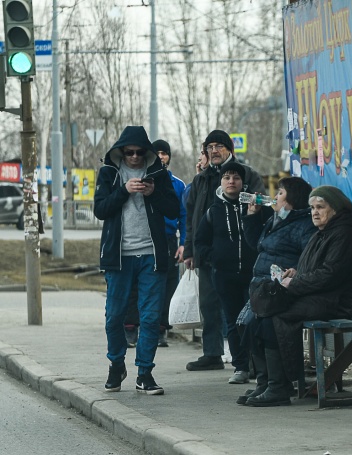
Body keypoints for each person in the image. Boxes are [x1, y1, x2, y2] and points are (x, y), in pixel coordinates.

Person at [245, 186, 352, 407]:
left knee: (274, 316)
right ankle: (267, 383)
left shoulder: (344, 232)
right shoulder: (325, 231)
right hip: (314, 296)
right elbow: (315, 268)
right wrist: (295, 272)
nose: (315, 212)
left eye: (321, 207)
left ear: (336, 209)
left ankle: (279, 386)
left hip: (332, 302)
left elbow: (331, 274)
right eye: (312, 208)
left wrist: (295, 283)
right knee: (258, 315)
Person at [94, 125, 180, 396]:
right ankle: (116, 365)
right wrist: (124, 191)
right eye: (128, 152)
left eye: (138, 152)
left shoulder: (157, 173)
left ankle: (145, 372)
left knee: (151, 317)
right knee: (115, 316)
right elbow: (100, 209)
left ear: (147, 152)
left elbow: (174, 209)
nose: (133, 157)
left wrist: (152, 192)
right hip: (118, 257)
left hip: (151, 255)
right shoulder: (109, 172)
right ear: (120, 151)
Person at [183, 130, 266, 372]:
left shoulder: (246, 174)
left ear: (229, 149)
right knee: (209, 305)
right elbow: (192, 218)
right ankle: (212, 353)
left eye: (219, 146)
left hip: (241, 255)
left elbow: (260, 206)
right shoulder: (201, 179)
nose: (214, 151)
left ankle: (249, 359)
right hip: (209, 254)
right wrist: (190, 250)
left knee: (244, 308)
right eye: (209, 147)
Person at [236, 176, 317, 405]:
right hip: (261, 286)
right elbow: (258, 245)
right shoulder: (277, 219)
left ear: (292, 199)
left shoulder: (303, 224)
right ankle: (264, 382)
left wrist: (295, 271)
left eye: (280, 193)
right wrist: (251, 217)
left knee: (263, 327)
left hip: (278, 289)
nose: (276, 197)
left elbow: (308, 257)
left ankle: (278, 386)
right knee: (246, 325)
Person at [194, 161, 258, 384]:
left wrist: (254, 214)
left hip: (252, 275)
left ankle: (258, 366)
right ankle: (240, 367)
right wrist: (215, 258)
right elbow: (199, 242)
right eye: (227, 178)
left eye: (236, 178)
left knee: (253, 320)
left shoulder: (254, 206)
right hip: (224, 275)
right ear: (221, 182)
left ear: (243, 183)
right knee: (232, 321)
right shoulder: (214, 210)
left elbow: (265, 233)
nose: (232, 181)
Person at [151, 139, 187, 347]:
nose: (161, 157)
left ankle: (161, 329)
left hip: (168, 239)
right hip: (147, 238)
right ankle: (138, 326)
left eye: (164, 153)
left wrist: (182, 243)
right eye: (157, 153)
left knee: (168, 284)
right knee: (146, 282)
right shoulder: (144, 180)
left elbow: (183, 217)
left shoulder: (178, 184)